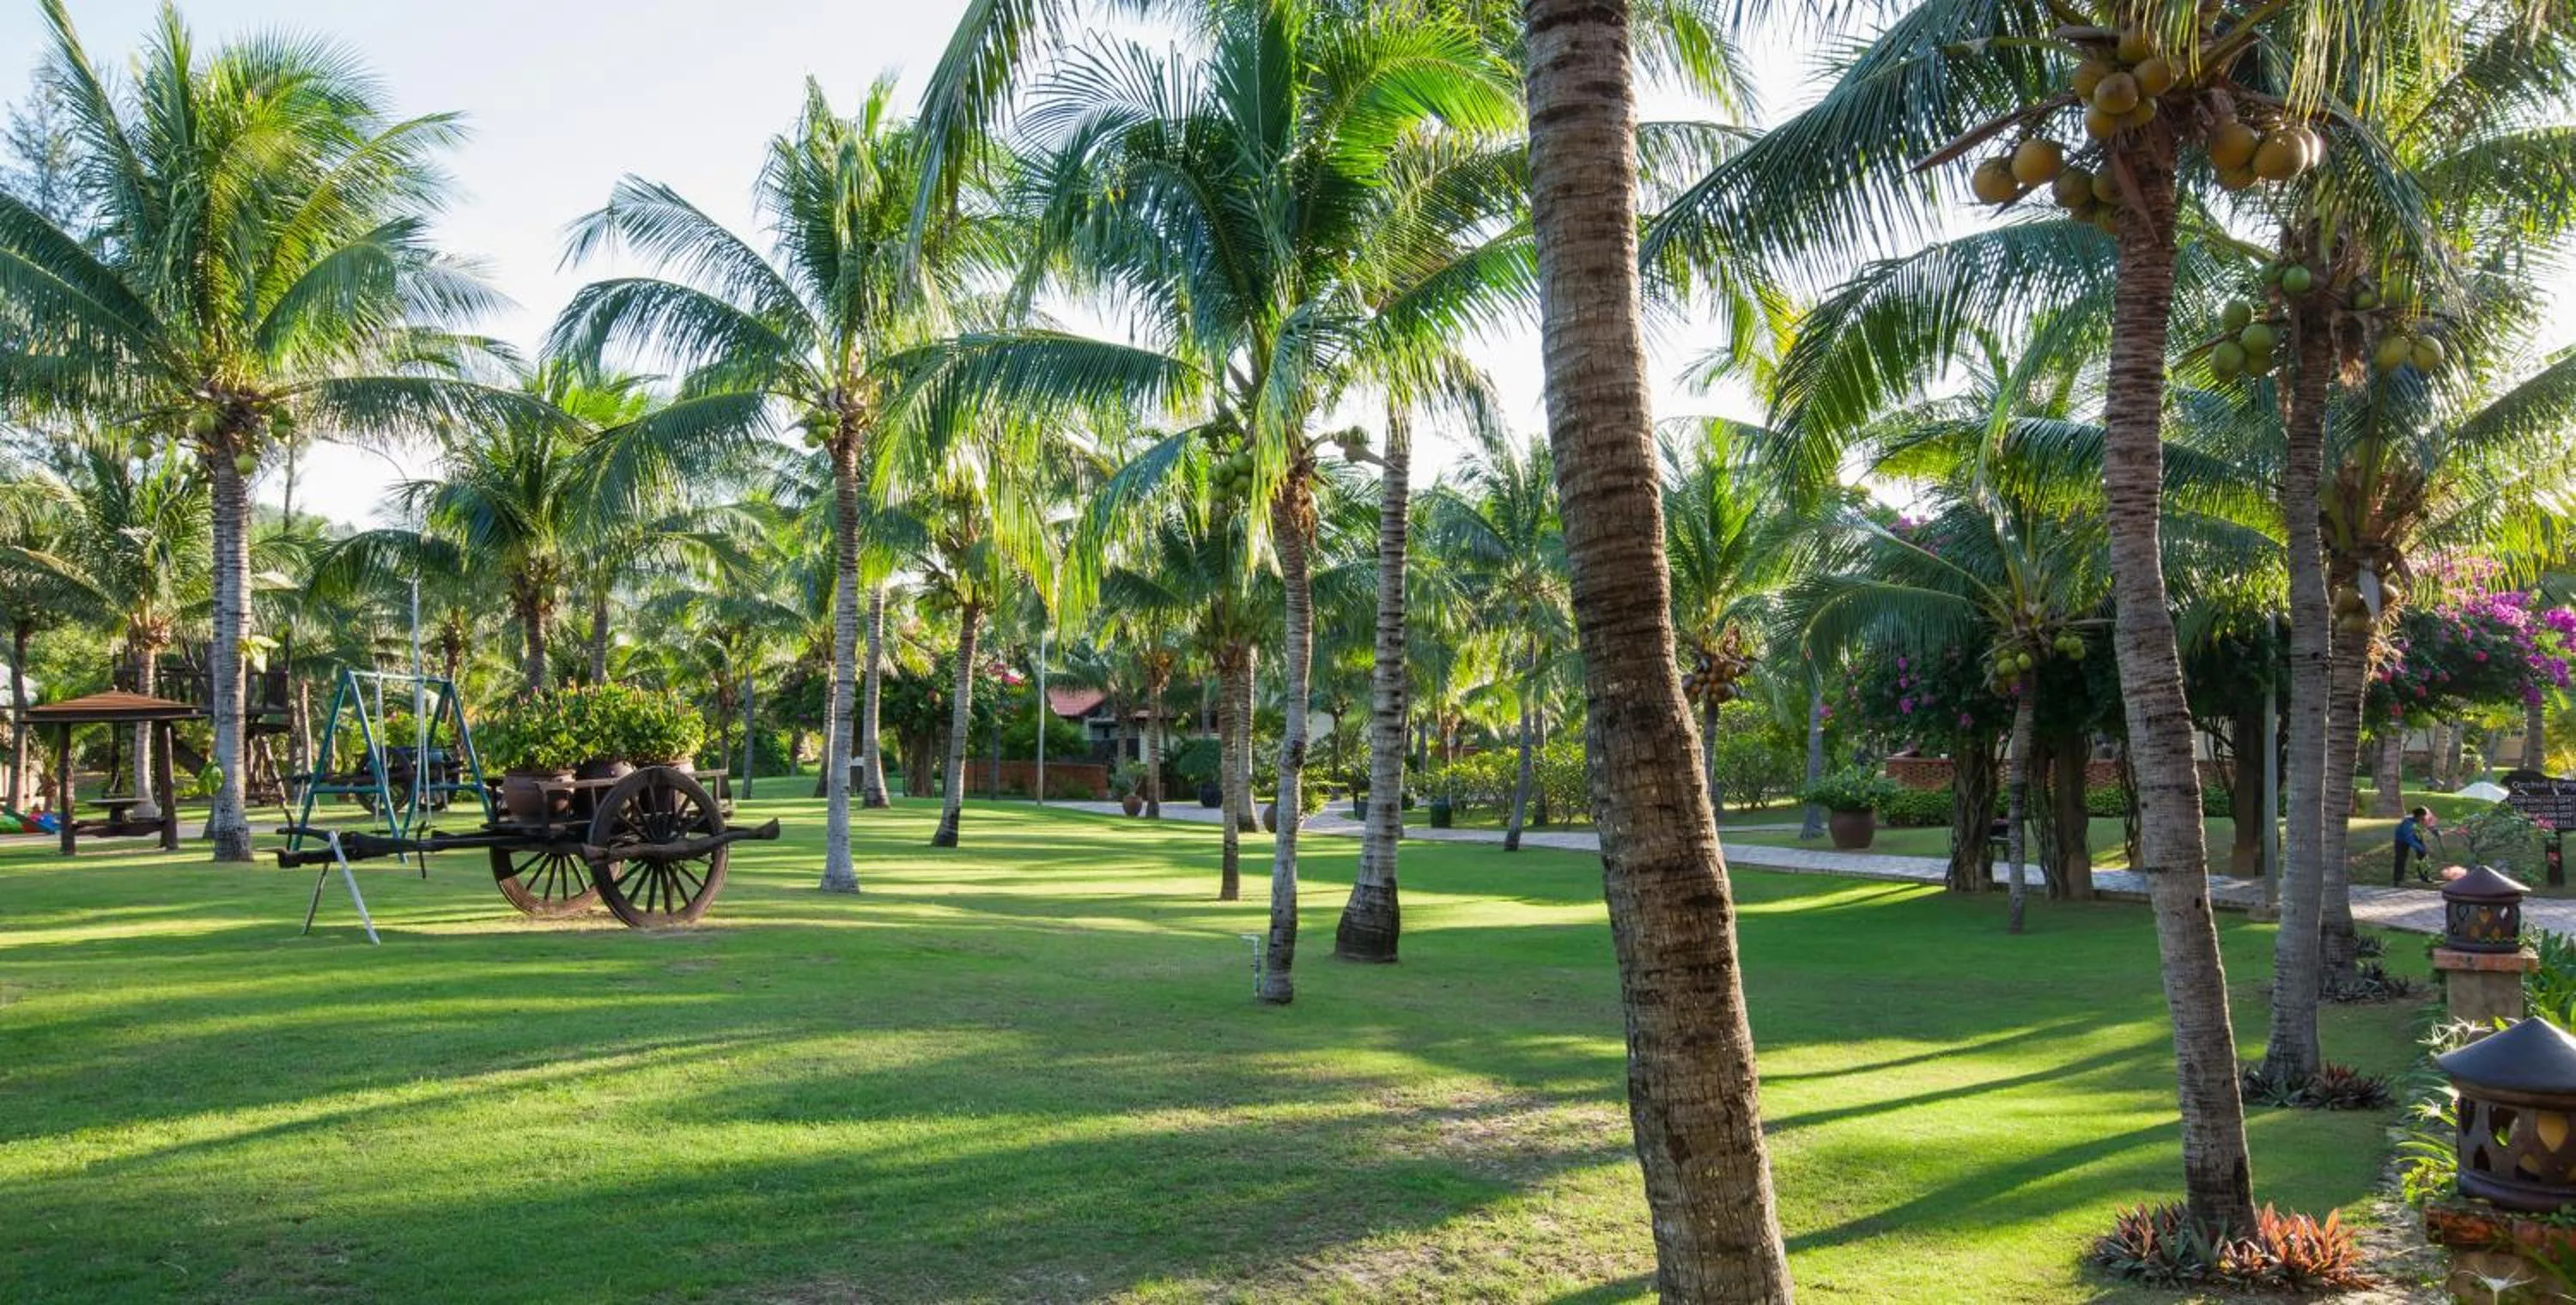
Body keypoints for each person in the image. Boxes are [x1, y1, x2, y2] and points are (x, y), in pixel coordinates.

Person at [2395, 806, 2439, 885]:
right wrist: (2421, 848)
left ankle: (2424, 876)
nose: (2424, 819)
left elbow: (2429, 824)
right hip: (2402, 841)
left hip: (2416, 836)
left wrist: (2435, 831)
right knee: (2401, 859)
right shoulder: (2408, 824)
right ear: (2418, 816)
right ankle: (2398, 880)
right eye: (2422, 817)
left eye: (2425, 817)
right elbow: (2409, 839)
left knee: (2423, 857)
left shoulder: (2421, 818)